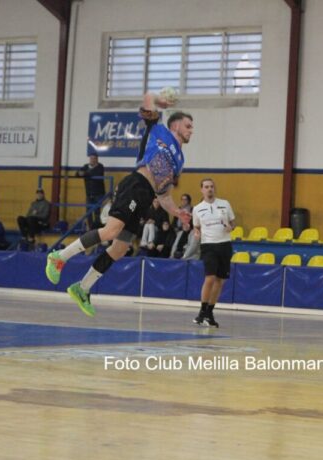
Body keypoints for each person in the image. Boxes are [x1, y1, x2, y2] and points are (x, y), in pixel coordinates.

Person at [45, 91, 193, 317]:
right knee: (111, 230)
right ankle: (59, 257)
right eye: (188, 125)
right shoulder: (158, 129)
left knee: (121, 248)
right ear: (175, 125)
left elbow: (163, 195)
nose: (191, 130)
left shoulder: (180, 161)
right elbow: (147, 102)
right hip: (135, 184)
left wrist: (177, 212)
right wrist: (157, 98)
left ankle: (82, 288)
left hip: (146, 196)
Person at [192, 178, 235, 327]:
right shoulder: (197, 208)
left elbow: (233, 223)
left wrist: (230, 227)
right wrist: (196, 232)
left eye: (211, 186)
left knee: (220, 280)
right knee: (209, 278)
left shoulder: (225, 204)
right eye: (206, 187)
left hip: (224, 244)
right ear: (201, 190)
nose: (209, 189)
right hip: (208, 245)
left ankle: (210, 312)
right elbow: (196, 227)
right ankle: (202, 311)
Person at [76, 154, 106, 229]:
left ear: (97, 159)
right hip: (89, 194)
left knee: (97, 212)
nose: (92, 160)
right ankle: (90, 228)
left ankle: (96, 229)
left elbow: (97, 173)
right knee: (88, 213)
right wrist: (79, 173)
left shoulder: (100, 166)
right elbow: (77, 174)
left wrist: (85, 173)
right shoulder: (85, 166)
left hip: (99, 194)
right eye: (91, 158)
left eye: (94, 158)